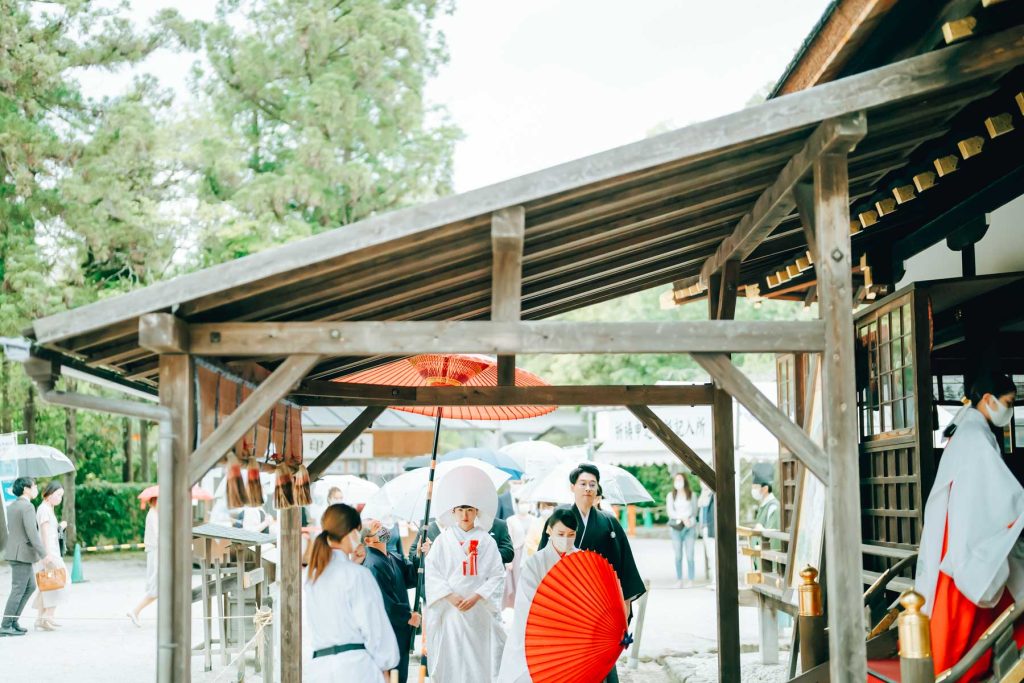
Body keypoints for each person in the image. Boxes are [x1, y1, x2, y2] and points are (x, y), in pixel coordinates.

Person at [916, 373, 1024, 680]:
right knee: (966, 599)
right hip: (967, 528)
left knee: (962, 600)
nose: (1010, 409)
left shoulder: (970, 430)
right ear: (988, 400)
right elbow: (997, 487)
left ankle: (961, 662)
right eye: (1008, 402)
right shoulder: (975, 436)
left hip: (961, 524)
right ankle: (959, 666)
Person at [538, 463, 645, 682]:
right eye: (583, 483)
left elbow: (624, 568)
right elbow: (544, 559)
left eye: (592, 484)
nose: (587, 488)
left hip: (601, 603)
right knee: (571, 660)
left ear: (597, 489)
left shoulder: (609, 522)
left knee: (601, 658)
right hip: (568, 602)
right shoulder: (559, 518)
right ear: (572, 487)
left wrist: (624, 610)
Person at [424, 467, 506, 682]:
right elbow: (432, 572)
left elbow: (498, 574)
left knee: (478, 658)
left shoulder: (487, 541)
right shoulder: (443, 540)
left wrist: (477, 596)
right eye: (460, 509)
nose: (465, 515)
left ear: (477, 511)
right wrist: (450, 596)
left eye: (470, 509)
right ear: (453, 512)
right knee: (453, 656)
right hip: (452, 609)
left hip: (478, 608)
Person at [305, 503, 399, 682]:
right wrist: (386, 665)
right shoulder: (358, 575)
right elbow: (375, 628)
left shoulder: (311, 576)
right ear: (350, 532)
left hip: (320, 668)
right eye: (358, 530)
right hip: (356, 668)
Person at [498, 508, 579, 683]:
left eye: (571, 534)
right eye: (561, 533)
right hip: (541, 629)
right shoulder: (535, 562)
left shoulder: (582, 559)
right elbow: (527, 602)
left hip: (573, 631)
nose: (566, 539)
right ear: (549, 530)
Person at [360, 518, 419, 683]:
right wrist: (408, 616)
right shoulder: (372, 565)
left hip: (400, 630)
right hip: (388, 631)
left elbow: (412, 577)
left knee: (400, 675)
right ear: (368, 540)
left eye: (383, 527)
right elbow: (385, 604)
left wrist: (419, 554)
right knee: (391, 674)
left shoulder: (392, 556)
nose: (383, 530)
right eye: (377, 528)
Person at [1, 477, 45, 637]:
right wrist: (44, 554)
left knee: (30, 586)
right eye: (34, 486)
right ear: (26, 489)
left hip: (17, 552)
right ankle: (6, 625)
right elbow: (32, 533)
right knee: (19, 589)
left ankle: (12, 621)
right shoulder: (27, 506)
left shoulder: (13, 505)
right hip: (22, 554)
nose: (36, 489)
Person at [33, 481, 68, 630]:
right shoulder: (44, 509)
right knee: (60, 582)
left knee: (46, 586)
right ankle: (48, 616)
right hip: (50, 554)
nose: (60, 498)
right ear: (49, 494)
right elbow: (45, 533)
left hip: (51, 552)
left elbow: (50, 531)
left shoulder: (47, 508)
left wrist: (60, 526)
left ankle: (41, 619)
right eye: (58, 495)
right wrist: (47, 555)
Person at [127, 497, 159, 626]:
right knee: (157, 587)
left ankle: (135, 611)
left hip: (157, 552)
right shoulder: (153, 514)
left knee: (160, 587)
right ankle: (135, 611)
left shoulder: (155, 514)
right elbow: (158, 536)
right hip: (156, 553)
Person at [667, 473, 698, 587]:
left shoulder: (692, 495)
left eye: (680, 479)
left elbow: (695, 512)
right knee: (678, 555)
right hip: (676, 528)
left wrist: (689, 521)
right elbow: (670, 512)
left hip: (689, 528)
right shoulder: (671, 495)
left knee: (690, 555)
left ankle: (691, 579)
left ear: (684, 481)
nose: (678, 482)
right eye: (676, 480)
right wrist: (682, 518)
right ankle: (679, 579)